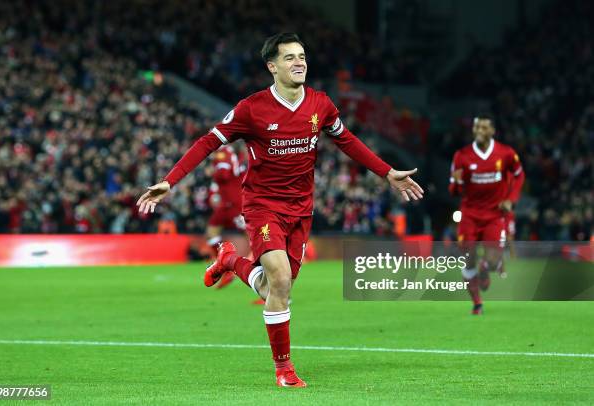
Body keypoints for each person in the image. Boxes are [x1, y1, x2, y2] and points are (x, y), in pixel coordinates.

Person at [137, 32, 424, 387]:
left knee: (278, 289)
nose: (299, 62)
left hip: (301, 209)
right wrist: (170, 180)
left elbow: (346, 139)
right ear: (272, 67)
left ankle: (230, 260)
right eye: (289, 57)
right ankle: (284, 370)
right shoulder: (251, 109)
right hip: (262, 206)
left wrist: (387, 172)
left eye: (301, 55)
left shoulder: (321, 105)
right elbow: (208, 141)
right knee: (280, 279)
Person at [449, 115, 524, 315]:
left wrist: (511, 199)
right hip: (469, 216)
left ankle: (485, 267)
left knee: (493, 260)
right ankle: (477, 303)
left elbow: (519, 175)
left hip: (494, 215)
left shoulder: (505, 153)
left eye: (484, 127)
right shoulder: (461, 156)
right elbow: (453, 191)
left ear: (492, 131)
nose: (479, 131)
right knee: (468, 257)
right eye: (477, 127)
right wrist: (457, 182)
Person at [205, 145, 246, 288]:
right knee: (211, 232)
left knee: (254, 235)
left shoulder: (223, 153)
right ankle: (224, 265)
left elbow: (223, 174)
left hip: (234, 202)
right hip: (227, 203)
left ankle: (271, 265)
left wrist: (212, 172)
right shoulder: (225, 153)